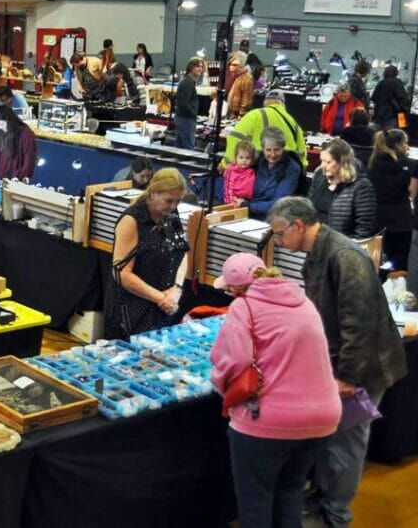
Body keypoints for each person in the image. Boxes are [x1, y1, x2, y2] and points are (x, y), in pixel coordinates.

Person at [267, 197, 406, 528]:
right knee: (330, 441)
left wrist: (347, 377)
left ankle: (335, 516)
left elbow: (359, 325)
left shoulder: (344, 256)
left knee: (346, 444)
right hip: (337, 365)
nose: (278, 242)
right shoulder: (316, 253)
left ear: (298, 226)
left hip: (362, 370)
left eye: (280, 234)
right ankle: (322, 503)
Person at [210, 253, 340, 528]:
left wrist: (218, 383)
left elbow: (234, 361)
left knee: (255, 498)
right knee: (291, 492)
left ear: (235, 289)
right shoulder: (303, 301)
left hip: (267, 421)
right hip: (321, 418)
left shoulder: (243, 308)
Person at [104, 168, 189, 339]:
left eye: (178, 201)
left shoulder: (170, 214)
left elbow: (182, 253)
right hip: (130, 309)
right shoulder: (132, 220)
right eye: (168, 200)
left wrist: (177, 289)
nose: (173, 206)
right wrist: (160, 298)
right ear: (153, 194)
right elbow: (121, 273)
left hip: (162, 305)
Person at [308, 139, 376, 239]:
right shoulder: (319, 175)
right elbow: (308, 207)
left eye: (328, 162)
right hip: (315, 241)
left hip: (341, 246)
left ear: (342, 162)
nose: (323, 166)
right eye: (322, 160)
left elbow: (364, 227)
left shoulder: (361, 186)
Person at [231, 127, 303, 220]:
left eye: (277, 149)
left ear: (283, 148)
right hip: (245, 211)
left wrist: (248, 205)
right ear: (262, 149)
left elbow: (279, 204)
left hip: (273, 217)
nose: (272, 154)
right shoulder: (256, 160)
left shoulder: (292, 168)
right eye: (268, 150)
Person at [224, 90, 306, 167]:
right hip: (287, 169)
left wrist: (225, 164)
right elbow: (302, 153)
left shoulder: (254, 115)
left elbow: (236, 138)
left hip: (260, 168)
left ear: (265, 102)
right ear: (282, 104)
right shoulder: (293, 123)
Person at [368, 129, 411, 269]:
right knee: (397, 266)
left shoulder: (372, 162)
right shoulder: (407, 164)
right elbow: (411, 191)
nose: (407, 147)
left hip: (376, 220)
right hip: (400, 222)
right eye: (405, 143)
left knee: (376, 262)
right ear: (398, 145)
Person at [173, 58, 204, 150]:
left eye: (202, 67)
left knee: (179, 147)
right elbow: (184, 102)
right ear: (191, 68)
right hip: (186, 119)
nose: (201, 69)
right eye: (198, 66)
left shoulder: (186, 81)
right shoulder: (188, 83)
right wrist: (194, 114)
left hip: (182, 118)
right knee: (188, 148)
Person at [371, 65, 408, 130]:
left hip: (379, 115)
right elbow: (402, 99)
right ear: (396, 73)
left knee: (379, 136)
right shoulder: (398, 83)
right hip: (393, 115)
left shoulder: (381, 82)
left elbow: (374, 97)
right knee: (392, 136)